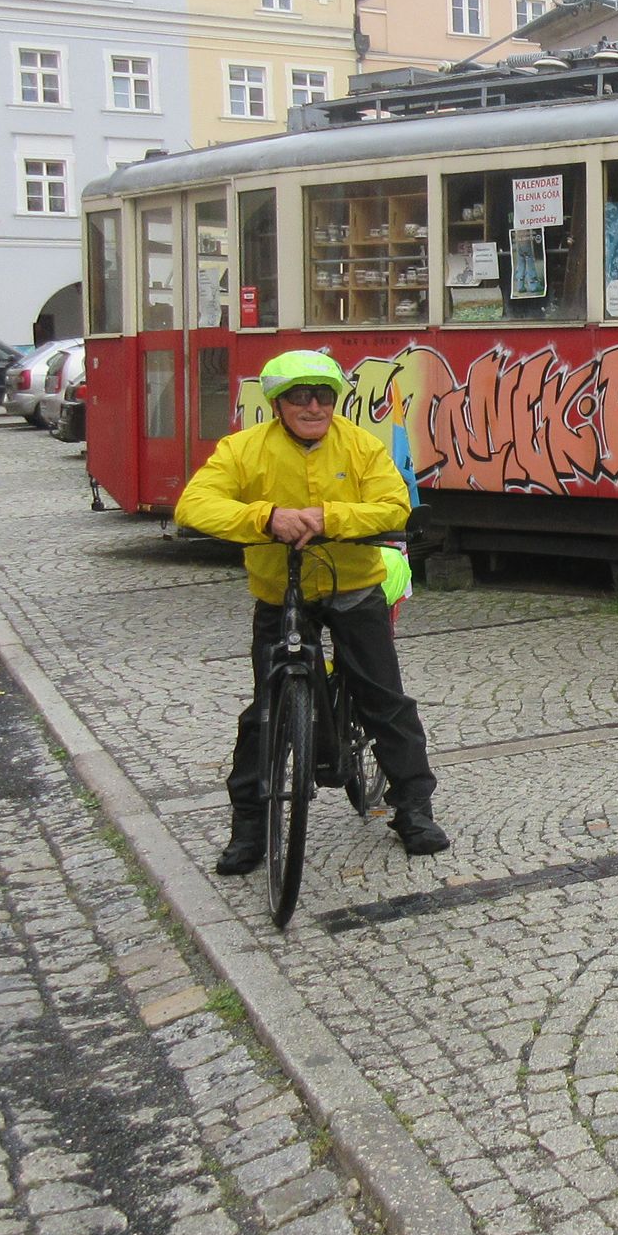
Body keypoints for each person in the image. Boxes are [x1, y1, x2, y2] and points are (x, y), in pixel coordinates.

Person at [175, 349, 447, 869]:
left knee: (384, 699)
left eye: (323, 395)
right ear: (278, 403)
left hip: (353, 586)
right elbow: (195, 504)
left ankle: (414, 809)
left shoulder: (361, 446)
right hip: (281, 591)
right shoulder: (242, 449)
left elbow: (393, 506)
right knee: (264, 712)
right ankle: (249, 827)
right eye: (300, 396)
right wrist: (267, 518)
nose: (314, 406)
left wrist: (326, 518)